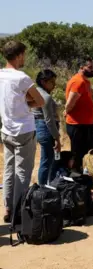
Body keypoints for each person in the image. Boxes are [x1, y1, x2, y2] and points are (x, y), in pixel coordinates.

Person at [0, 41, 45, 222]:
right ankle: (20, 212)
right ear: (18, 55)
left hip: (6, 129)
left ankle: (8, 208)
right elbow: (40, 101)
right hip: (23, 129)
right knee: (23, 172)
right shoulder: (21, 78)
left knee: (8, 170)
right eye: (24, 55)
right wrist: (26, 104)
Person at [64, 57, 93, 172]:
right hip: (77, 124)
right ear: (81, 67)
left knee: (85, 152)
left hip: (86, 123)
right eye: (90, 67)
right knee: (77, 153)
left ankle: (83, 176)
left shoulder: (86, 82)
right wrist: (66, 111)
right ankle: (75, 177)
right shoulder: (78, 81)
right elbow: (70, 103)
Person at [33, 69, 61, 185]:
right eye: (52, 82)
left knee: (47, 159)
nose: (54, 85)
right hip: (46, 129)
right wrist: (57, 138)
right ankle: (43, 189)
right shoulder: (45, 97)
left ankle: (44, 186)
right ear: (44, 82)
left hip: (39, 127)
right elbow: (49, 120)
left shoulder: (35, 92)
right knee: (47, 160)